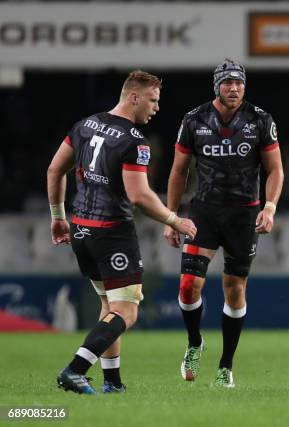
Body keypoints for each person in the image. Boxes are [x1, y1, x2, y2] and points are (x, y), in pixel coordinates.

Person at [47, 71, 197, 394]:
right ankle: (75, 369)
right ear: (134, 97)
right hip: (112, 233)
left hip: (81, 230)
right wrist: (175, 220)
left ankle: (113, 383)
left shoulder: (84, 125)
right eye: (153, 100)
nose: (156, 108)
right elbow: (139, 195)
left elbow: (54, 169)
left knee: (109, 305)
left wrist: (58, 216)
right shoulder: (134, 141)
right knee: (126, 312)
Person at [164, 58, 283, 387]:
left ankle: (225, 366)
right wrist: (171, 217)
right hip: (205, 212)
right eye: (228, 82)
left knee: (235, 291)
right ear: (216, 85)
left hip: (244, 215)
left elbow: (275, 170)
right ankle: (194, 343)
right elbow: (178, 171)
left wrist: (270, 206)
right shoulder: (194, 119)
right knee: (188, 287)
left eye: (239, 83)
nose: (234, 88)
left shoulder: (260, 120)